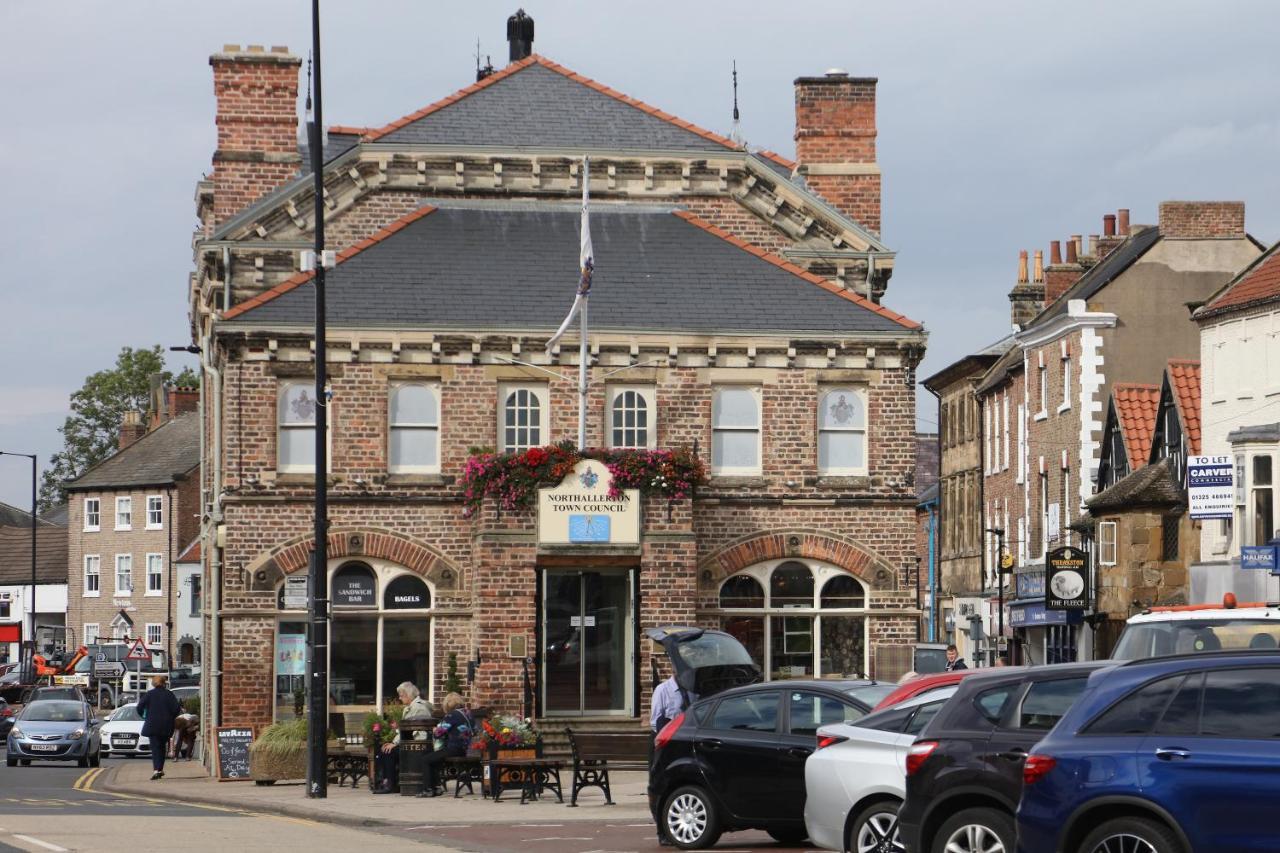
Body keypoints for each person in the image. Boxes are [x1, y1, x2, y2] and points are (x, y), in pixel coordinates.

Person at [374, 682, 434, 794]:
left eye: (401, 695)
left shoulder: (419, 708)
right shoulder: (409, 708)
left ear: (408, 695)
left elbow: (417, 733)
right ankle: (385, 781)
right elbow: (404, 730)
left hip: (417, 745)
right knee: (384, 750)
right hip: (409, 743)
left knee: (389, 752)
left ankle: (390, 784)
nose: (400, 698)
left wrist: (396, 744)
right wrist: (393, 742)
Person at [418, 692, 474, 798]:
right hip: (466, 749)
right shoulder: (468, 713)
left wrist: (434, 730)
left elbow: (438, 734)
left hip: (454, 748)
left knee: (425, 759)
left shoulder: (451, 715)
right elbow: (474, 730)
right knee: (434, 758)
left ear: (447, 704)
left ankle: (428, 789)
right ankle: (437, 788)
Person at [137, 675, 181, 780]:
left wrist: (145, 716)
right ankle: (160, 769)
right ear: (164, 683)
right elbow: (176, 709)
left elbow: (139, 707)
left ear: (154, 683)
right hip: (166, 725)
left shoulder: (149, 694)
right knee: (162, 747)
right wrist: (170, 717)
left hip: (152, 725)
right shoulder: (169, 694)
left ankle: (156, 770)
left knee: (155, 747)